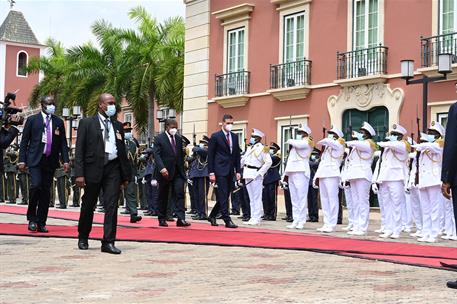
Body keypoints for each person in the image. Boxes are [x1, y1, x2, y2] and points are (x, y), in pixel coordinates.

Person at [75, 93, 131, 254]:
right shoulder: (87, 123)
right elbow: (79, 150)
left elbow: (122, 152)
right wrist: (79, 173)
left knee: (112, 205)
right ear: (101, 105)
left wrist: (125, 176)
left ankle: (108, 241)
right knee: (88, 204)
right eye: (110, 103)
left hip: (113, 169)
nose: (113, 106)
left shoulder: (118, 126)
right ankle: (83, 236)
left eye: (114, 103)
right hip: (93, 169)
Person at [19, 96, 69, 233]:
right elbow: (24, 142)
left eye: (53, 103)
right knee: (36, 186)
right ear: (42, 105)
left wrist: (65, 160)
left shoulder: (58, 121)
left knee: (46, 192)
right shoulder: (32, 120)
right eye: (49, 103)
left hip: (50, 161)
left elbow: (63, 143)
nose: (52, 105)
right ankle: (32, 218)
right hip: (35, 159)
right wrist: (22, 160)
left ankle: (41, 221)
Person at [152, 119, 190, 228]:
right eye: (173, 127)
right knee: (163, 195)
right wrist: (162, 168)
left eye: (176, 127)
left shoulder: (178, 139)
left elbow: (179, 156)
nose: (174, 129)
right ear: (167, 127)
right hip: (165, 172)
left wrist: (183, 171)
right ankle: (162, 218)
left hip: (177, 171)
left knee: (179, 194)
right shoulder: (159, 139)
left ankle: (181, 218)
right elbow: (157, 155)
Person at [375, 124, 410, 239]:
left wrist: (384, 142)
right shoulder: (388, 148)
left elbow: (393, 145)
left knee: (396, 205)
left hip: (396, 178)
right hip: (385, 178)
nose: (392, 136)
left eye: (395, 135)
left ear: (400, 136)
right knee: (386, 205)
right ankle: (388, 228)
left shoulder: (403, 145)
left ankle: (397, 229)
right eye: (392, 134)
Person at [413, 122, 445, 243]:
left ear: (438, 135)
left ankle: (435, 232)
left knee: (434, 209)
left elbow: (435, 148)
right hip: (424, 181)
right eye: (429, 133)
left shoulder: (440, 144)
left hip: (434, 180)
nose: (430, 135)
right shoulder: (426, 146)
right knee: (425, 209)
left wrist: (422, 145)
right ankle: (426, 231)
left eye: (432, 133)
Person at [207, 114, 241, 228]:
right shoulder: (216, 136)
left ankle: (212, 215)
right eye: (228, 123)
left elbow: (237, 155)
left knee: (225, 196)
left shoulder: (235, 137)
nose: (230, 125)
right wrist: (211, 172)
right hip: (219, 170)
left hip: (230, 171)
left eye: (232, 123)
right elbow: (210, 156)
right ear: (222, 123)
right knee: (222, 195)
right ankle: (227, 220)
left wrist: (238, 170)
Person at [344, 122, 376, 236]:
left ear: (367, 135)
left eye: (362, 133)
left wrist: (351, 139)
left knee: (362, 202)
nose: (360, 134)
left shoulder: (369, 144)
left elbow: (358, 145)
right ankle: (356, 225)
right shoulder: (356, 146)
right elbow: (350, 162)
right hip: (353, 175)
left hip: (363, 175)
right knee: (355, 202)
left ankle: (363, 226)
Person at [313, 126, 345, 233]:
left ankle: (332, 223)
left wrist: (327, 140)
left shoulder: (339, 145)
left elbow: (329, 142)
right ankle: (326, 223)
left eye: (332, 133)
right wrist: (316, 177)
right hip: (323, 174)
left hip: (332, 174)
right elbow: (322, 163)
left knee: (332, 200)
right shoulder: (327, 148)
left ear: (337, 136)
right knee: (324, 200)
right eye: (329, 133)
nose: (329, 135)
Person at [283, 123, 313, 230]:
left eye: (301, 133)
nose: (299, 134)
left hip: (301, 171)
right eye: (299, 133)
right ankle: (295, 219)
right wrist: (285, 174)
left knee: (301, 197)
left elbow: (299, 144)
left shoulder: (307, 142)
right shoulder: (295, 146)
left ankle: (301, 220)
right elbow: (290, 160)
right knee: (294, 198)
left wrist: (290, 139)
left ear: (306, 134)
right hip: (292, 171)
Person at [241, 129, 272, 225]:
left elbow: (269, 162)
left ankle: (257, 218)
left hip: (256, 173)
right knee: (251, 197)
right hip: (247, 173)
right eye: (252, 137)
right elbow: (243, 160)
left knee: (256, 197)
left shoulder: (263, 148)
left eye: (253, 137)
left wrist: (260, 173)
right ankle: (252, 217)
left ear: (258, 138)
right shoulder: (250, 148)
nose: (251, 139)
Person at [122, 122, 142, 223]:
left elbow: (134, 161)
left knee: (131, 193)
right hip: (117, 172)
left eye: (129, 131)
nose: (128, 133)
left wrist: (135, 174)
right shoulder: (118, 142)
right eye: (126, 131)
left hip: (130, 172)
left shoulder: (133, 144)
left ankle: (133, 213)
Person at [262, 142, 281, 221]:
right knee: (265, 198)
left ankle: (272, 215)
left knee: (271, 198)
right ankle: (266, 213)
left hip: (272, 179)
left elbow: (270, 160)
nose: (271, 150)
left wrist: (265, 153)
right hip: (266, 179)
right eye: (270, 149)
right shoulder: (268, 156)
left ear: (276, 150)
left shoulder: (277, 157)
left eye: (273, 149)